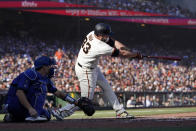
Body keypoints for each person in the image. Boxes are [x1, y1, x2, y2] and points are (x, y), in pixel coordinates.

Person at [53, 23, 143, 119]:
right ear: (100, 35)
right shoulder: (99, 46)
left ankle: (120, 111)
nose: (108, 36)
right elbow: (123, 53)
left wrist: (131, 52)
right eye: (106, 34)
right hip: (86, 70)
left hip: (91, 67)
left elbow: (114, 42)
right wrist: (135, 54)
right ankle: (61, 112)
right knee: (86, 100)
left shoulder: (93, 33)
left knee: (107, 87)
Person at [3, 56, 83, 122]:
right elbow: (19, 92)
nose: (52, 68)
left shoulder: (45, 79)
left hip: (30, 108)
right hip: (16, 105)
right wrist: (30, 108)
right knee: (35, 89)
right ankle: (14, 115)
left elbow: (58, 93)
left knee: (47, 116)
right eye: (50, 65)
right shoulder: (30, 74)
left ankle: (18, 118)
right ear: (44, 67)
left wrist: (76, 102)